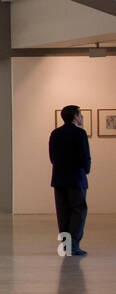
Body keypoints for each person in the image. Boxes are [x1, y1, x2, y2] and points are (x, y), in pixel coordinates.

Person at [49, 105, 91, 256]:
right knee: (78, 211)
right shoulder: (80, 133)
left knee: (63, 212)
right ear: (75, 116)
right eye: (80, 115)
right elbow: (85, 155)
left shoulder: (55, 133)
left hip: (59, 178)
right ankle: (73, 246)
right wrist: (86, 169)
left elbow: (52, 157)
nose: (82, 118)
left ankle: (66, 245)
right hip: (76, 178)